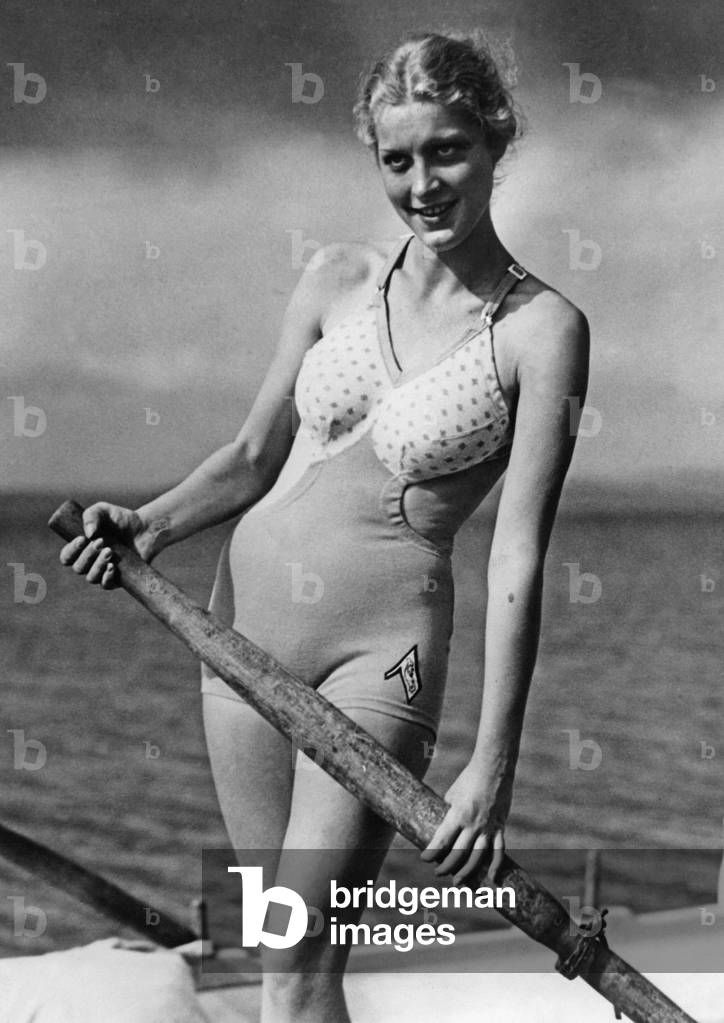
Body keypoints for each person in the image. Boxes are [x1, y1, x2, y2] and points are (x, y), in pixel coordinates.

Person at [60, 30, 589, 1023]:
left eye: (447, 151)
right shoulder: (335, 278)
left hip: (377, 665)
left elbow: (518, 555)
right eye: (398, 159)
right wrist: (149, 522)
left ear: (495, 142)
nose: (423, 183)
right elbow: (253, 456)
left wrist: (492, 767)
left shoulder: (541, 331)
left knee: (304, 964)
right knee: (280, 961)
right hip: (238, 636)